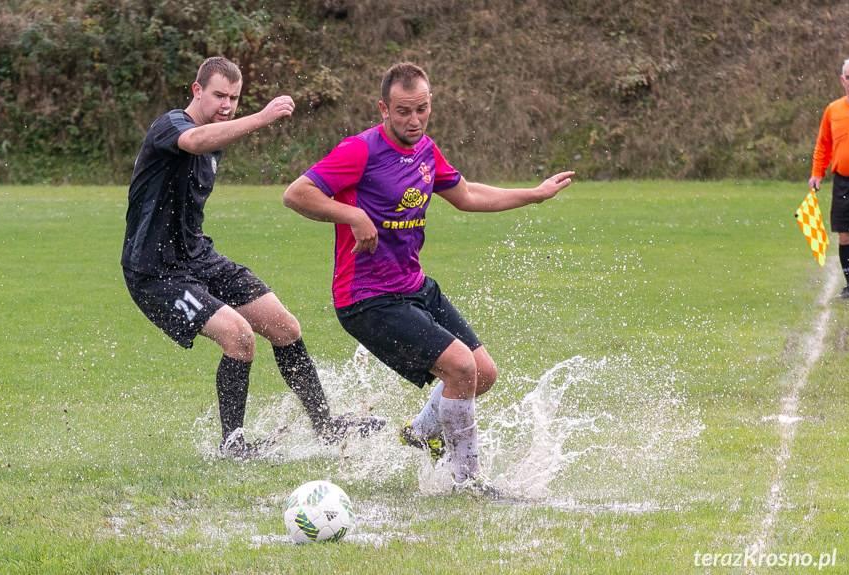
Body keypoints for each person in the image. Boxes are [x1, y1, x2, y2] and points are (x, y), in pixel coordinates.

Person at [283, 62, 574, 496]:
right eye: (402, 111)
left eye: (421, 109)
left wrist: (534, 194)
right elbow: (297, 193)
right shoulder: (359, 150)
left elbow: (469, 195)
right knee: (459, 368)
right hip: (366, 298)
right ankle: (468, 481)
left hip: (413, 287)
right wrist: (353, 214)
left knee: (484, 373)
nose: (413, 120)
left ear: (430, 105)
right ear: (384, 108)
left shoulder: (425, 150)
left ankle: (421, 433)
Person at [121, 56, 383, 459]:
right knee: (239, 337)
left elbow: (209, 144)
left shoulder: (217, 144)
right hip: (156, 272)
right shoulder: (171, 126)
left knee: (285, 326)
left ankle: (325, 426)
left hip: (197, 257)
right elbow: (193, 141)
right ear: (196, 90)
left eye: (234, 98)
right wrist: (261, 118)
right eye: (218, 95)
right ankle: (233, 445)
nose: (226, 105)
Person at [810, 57, 849, 299]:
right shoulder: (833, 110)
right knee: (844, 233)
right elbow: (823, 145)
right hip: (843, 180)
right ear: (842, 80)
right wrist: (816, 173)